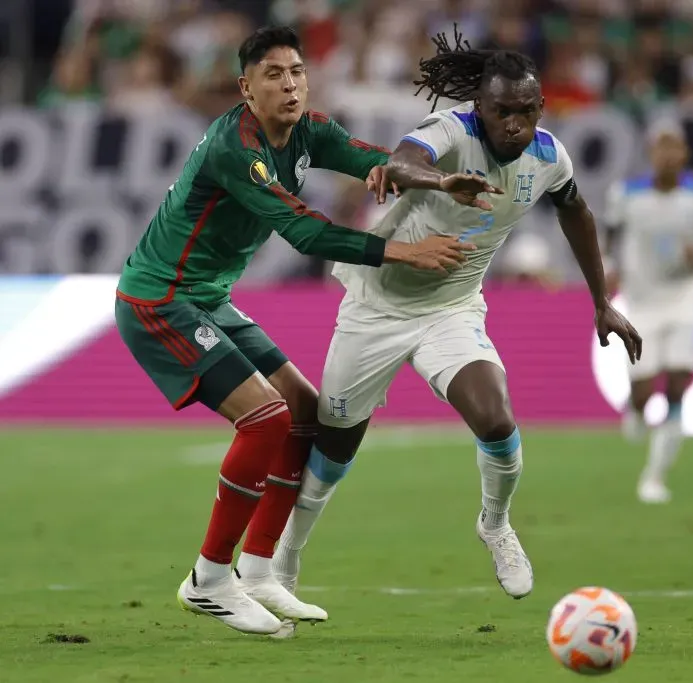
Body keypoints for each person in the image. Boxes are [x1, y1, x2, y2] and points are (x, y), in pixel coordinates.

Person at [114, 26, 471, 636]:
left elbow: (371, 161)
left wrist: (438, 181)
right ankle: (208, 579)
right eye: (274, 74)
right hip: (159, 299)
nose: (289, 83)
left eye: (297, 72)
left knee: (304, 408)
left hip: (208, 298)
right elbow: (304, 231)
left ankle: (256, 570)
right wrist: (407, 254)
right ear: (245, 88)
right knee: (266, 418)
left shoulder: (308, 132)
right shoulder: (237, 148)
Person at [271, 27, 642, 608]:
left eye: (525, 111)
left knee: (495, 419)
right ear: (480, 109)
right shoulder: (451, 131)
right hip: (376, 307)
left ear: (540, 108)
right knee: (336, 445)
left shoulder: (549, 156)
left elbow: (577, 211)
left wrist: (601, 301)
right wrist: (443, 179)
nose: (514, 124)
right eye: (501, 112)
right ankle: (287, 557)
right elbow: (398, 164)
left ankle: (495, 524)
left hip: (451, 307)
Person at [604, 120, 693, 504]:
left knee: (677, 383)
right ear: (650, 152)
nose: (668, 154)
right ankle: (636, 406)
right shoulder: (626, 194)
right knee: (644, 389)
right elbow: (611, 237)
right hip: (641, 301)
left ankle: (655, 476)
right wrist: (609, 268)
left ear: (685, 154)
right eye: (661, 146)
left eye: (674, 146)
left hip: (684, 297)